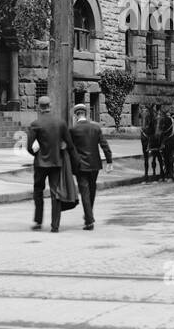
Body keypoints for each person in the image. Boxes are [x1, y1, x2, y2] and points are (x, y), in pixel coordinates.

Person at [26, 95, 75, 232]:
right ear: (50, 106)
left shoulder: (36, 124)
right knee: (55, 193)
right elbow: (69, 144)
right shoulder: (60, 122)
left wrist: (37, 154)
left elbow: (29, 146)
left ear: (39, 108)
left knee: (38, 192)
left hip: (40, 163)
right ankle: (55, 225)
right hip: (56, 162)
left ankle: (38, 221)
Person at [70, 103, 113, 231]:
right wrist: (109, 161)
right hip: (95, 165)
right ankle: (89, 213)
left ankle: (89, 220)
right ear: (86, 114)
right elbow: (104, 145)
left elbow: (70, 148)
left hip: (81, 166)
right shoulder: (95, 128)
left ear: (76, 115)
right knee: (92, 190)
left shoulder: (73, 130)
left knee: (84, 192)